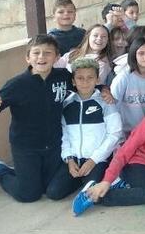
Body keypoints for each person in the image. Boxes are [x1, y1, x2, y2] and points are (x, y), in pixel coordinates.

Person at [0, 36, 96, 203]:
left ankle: (26, 175)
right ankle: (3, 171)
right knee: (29, 194)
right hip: (26, 147)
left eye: (47, 53)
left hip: (54, 145)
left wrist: (104, 89)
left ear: (57, 57)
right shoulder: (16, 84)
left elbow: (83, 85)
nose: (41, 57)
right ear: (28, 58)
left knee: (51, 188)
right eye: (36, 53)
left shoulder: (63, 76)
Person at [71, 81, 145, 215]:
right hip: (134, 165)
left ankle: (127, 185)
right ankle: (97, 196)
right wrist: (106, 181)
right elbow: (124, 152)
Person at [49, 58, 123, 200]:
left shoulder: (105, 102)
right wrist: (69, 160)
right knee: (54, 193)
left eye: (90, 78)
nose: (85, 82)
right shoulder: (67, 104)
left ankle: (110, 180)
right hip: (74, 160)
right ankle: (83, 180)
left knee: (93, 196)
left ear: (97, 80)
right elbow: (64, 135)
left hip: (98, 159)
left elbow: (115, 133)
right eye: (80, 78)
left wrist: (94, 160)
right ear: (73, 81)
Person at [111, 37, 145, 136]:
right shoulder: (123, 78)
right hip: (126, 132)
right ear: (134, 55)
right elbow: (113, 107)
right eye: (141, 53)